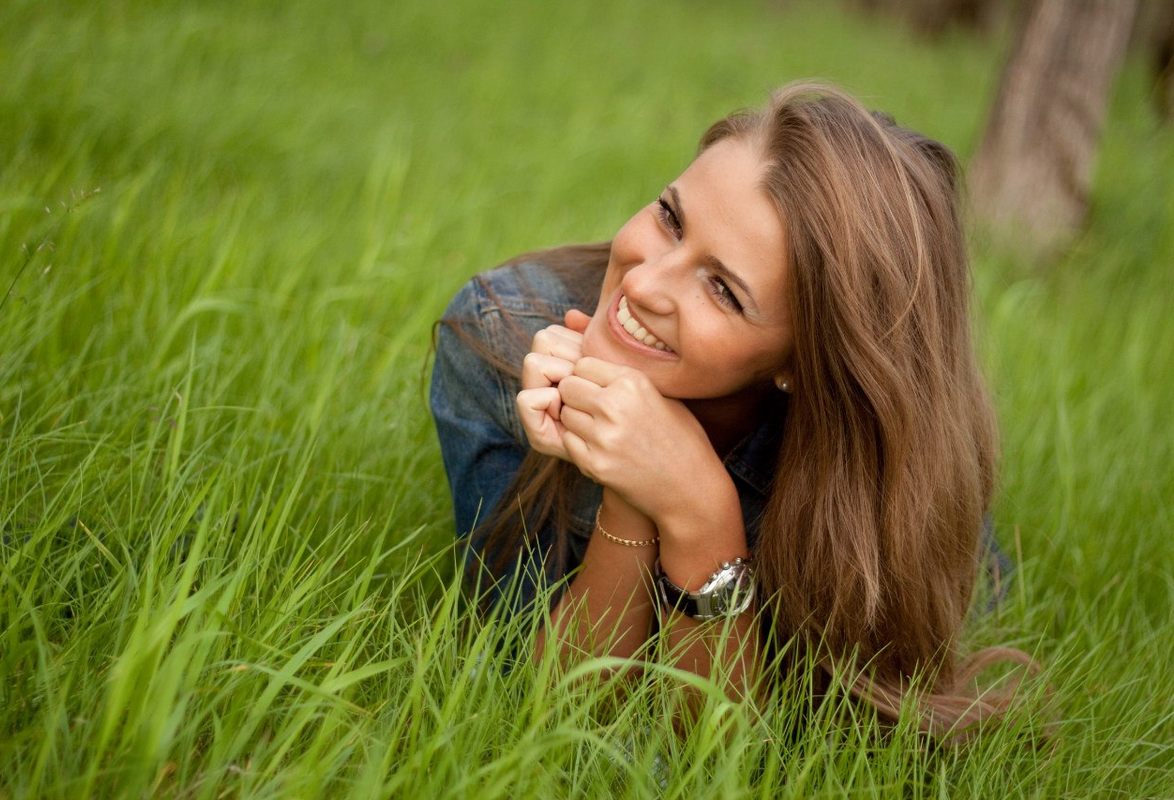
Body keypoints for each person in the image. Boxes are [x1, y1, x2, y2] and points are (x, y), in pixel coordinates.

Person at [431, 82, 1029, 737]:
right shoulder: (498, 337)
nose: (643, 281)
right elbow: (556, 716)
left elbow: (719, 753)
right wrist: (633, 489)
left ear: (802, 363)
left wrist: (699, 511)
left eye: (722, 290)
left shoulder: (881, 477)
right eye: (670, 218)